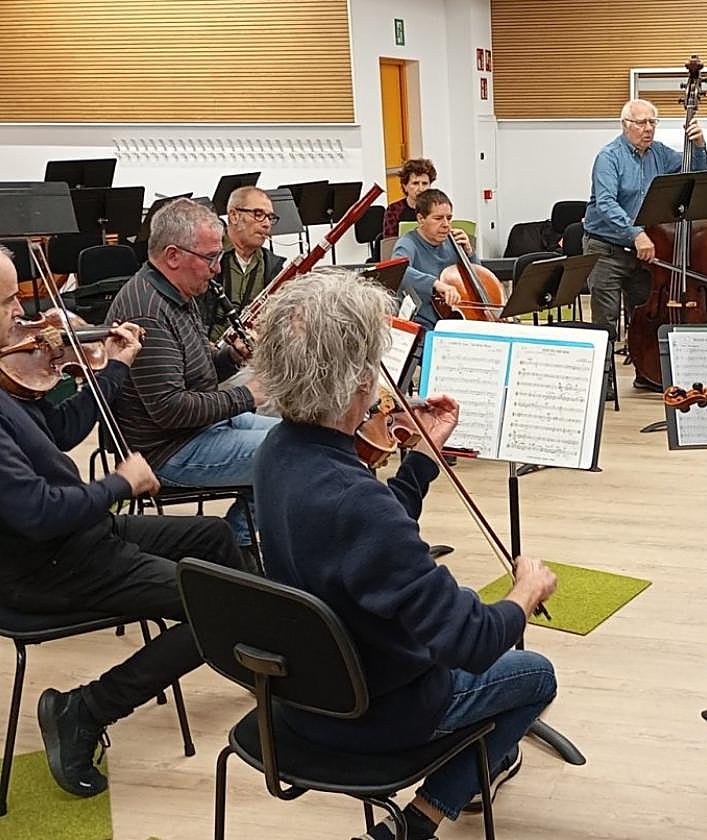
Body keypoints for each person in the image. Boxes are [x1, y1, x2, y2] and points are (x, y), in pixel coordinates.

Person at [250, 271, 558, 840]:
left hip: (296, 699)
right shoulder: (356, 500)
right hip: (376, 712)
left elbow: (370, 538)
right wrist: (525, 592)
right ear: (360, 383)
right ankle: (418, 822)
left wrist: (421, 459)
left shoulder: (277, 452)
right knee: (536, 675)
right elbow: (471, 641)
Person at [0, 245, 243, 799]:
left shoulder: (6, 382)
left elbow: (59, 432)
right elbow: (37, 512)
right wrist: (120, 484)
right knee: (214, 604)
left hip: (77, 538)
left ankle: (245, 653)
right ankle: (84, 708)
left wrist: (111, 371)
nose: (26, 313)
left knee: (216, 536)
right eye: (12, 300)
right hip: (44, 566)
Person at [107, 198, 278, 558]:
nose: (217, 268)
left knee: (300, 433)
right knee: (291, 452)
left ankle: (239, 542)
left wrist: (230, 358)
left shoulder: (176, 293)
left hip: (198, 430)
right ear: (173, 256)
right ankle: (234, 550)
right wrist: (248, 395)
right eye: (210, 258)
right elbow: (171, 409)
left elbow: (196, 377)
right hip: (168, 450)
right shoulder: (148, 312)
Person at [581, 98, 706, 380]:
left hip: (643, 251)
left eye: (652, 122)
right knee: (606, 319)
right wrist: (636, 233)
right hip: (606, 248)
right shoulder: (609, 156)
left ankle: (646, 373)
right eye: (641, 123)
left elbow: (695, 175)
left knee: (644, 316)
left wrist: (698, 146)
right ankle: (603, 382)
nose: (648, 129)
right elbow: (605, 203)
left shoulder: (659, 154)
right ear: (626, 125)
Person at [201, 185, 284, 339]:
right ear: (233, 216)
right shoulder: (206, 257)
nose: (266, 224)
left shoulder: (272, 266)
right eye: (258, 214)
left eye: (270, 217)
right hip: (209, 356)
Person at [390, 188, 475, 329]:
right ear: (421, 219)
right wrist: (436, 284)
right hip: (424, 323)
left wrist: (469, 253)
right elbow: (398, 270)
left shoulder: (454, 242)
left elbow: (478, 279)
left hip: (456, 320)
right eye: (438, 218)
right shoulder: (408, 243)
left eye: (449, 218)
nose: (446, 225)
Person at [382, 158, 438, 237]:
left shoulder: (436, 208)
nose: (420, 189)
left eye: (425, 183)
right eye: (415, 183)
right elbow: (389, 242)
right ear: (405, 186)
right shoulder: (394, 209)